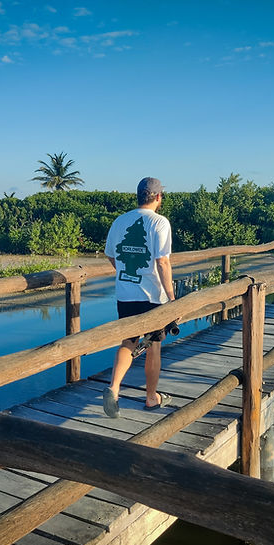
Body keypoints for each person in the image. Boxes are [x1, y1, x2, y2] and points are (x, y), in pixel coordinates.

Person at [102, 177, 175, 418]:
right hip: (152, 296)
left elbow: (112, 255)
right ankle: (151, 398)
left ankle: (113, 388)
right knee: (153, 346)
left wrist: (125, 273)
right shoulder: (159, 222)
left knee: (128, 342)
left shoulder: (120, 221)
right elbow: (162, 262)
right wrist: (172, 298)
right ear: (157, 197)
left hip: (125, 294)